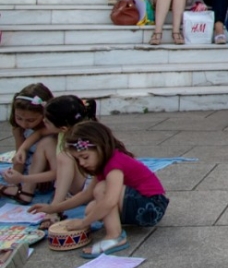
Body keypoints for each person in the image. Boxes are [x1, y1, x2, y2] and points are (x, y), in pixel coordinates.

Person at [55, 120, 169, 258]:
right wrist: (53, 208)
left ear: (100, 148)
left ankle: (114, 237)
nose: (82, 163)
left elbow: (109, 200)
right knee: (91, 209)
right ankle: (114, 230)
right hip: (144, 206)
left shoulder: (114, 163)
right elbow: (86, 195)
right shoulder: (104, 162)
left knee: (102, 189)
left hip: (152, 206)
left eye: (85, 157)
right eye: (78, 160)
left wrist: (83, 222)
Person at [27, 96, 100, 230]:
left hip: (91, 186)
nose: (43, 122)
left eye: (47, 121)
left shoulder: (81, 137)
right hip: (80, 183)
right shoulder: (68, 129)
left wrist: (22, 178)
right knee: (46, 143)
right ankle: (27, 190)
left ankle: (55, 208)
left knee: (65, 156)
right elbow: (39, 133)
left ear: (63, 128)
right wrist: (22, 149)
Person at [0, 84, 53, 204]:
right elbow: (20, 156)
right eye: (19, 118)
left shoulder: (51, 129)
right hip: (28, 170)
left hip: (47, 174)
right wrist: (15, 180)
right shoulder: (20, 129)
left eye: (30, 120)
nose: (24, 124)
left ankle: (23, 190)